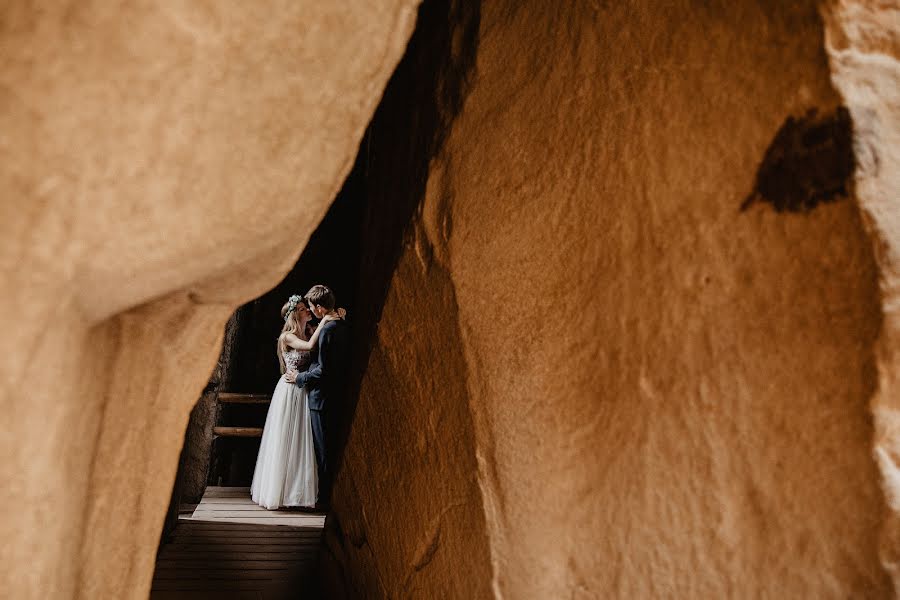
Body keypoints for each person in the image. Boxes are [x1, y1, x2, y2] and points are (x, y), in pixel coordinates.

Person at [250, 294, 337, 509]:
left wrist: (334, 316)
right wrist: (325, 320)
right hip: (290, 390)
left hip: (303, 388)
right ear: (294, 314)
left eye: (306, 308)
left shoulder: (308, 330)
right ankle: (280, 492)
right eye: (301, 308)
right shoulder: (287, 337)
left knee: (300, 439)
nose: (307, 310)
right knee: (286, 437)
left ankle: (296, 492)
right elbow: (308, 347)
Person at [286, 285, 350, 506]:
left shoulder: (327, 330)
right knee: (329, 448)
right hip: (336, 394)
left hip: (321, 398)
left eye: (312, 308)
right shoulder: (341, 325)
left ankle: (324, 500)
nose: (311, 312)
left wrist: (300, 378)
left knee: (322, 452)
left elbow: (323, 369)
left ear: (320, 308)